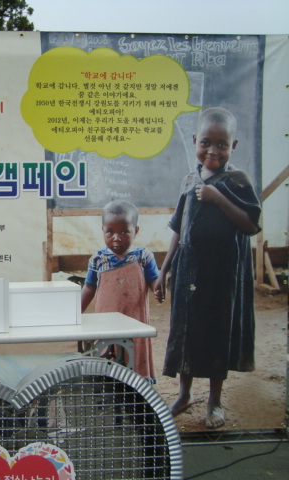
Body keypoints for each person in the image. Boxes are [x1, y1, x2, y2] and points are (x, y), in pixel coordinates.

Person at [154, 107, 261, 429]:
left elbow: (250, 225)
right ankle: (184, 394)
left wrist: (218, 199)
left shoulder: (237, 182)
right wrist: (163, 271)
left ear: (233, 146)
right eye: (205, 143)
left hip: (222, 275)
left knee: (217, 333)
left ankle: (214, 401)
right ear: (194, 141)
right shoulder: (189, 180)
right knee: (186, 332)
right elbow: (179, 229)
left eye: (222, 144)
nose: (212, 150)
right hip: (188, 272)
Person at [81, 199, 160, 383]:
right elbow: (89, 287)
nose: (117, 237)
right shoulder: (98, 259)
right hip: (105, 322)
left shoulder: (143, 257)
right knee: (107, 354)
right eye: (110, 232)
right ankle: (109, 389)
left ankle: (138, 390)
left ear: (136, 230)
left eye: (124, 231)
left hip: (135, 321)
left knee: (135, 356)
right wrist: (75, 313)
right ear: (102, 230)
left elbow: (154, 281)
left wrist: (158, 289)